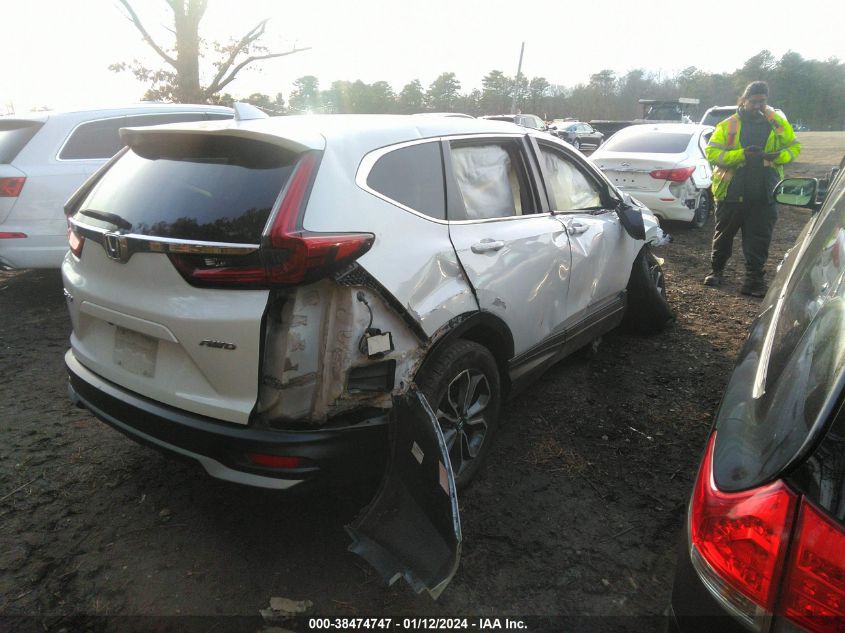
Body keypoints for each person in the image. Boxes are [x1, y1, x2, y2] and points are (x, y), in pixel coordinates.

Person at [703, 81, 801, 296]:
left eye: (762, 102)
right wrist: (741, 155)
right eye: (753, 101)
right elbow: (712, 153)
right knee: (724, 236)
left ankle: (753, 282)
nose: (757, 106)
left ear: (767, 101)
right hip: (731, 193)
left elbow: (794, 147)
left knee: (759, 240)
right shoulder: (728, 125)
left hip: (764, 194)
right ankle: (716, 272)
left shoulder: (777, 123)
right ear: (744, 100)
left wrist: (779, 157)